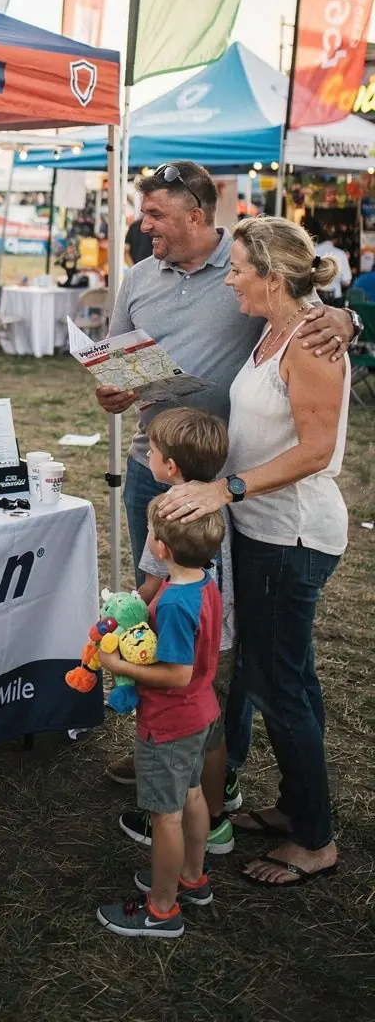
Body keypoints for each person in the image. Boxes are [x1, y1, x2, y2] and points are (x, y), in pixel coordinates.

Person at [157, 217, 349, 887]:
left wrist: (226, 488)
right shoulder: (276, 328)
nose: (229, 278)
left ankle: (317, 841)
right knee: (291, 678)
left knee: (276, 686)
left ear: (271, 278)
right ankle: (301, 809)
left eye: (238, 269)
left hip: (290, 535)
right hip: (261, 531)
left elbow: (317, 451)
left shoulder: (313, 341)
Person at [94, 160, 356, 588]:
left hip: (224, 470)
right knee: (155, 590)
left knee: (218, 601)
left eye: (155, 215)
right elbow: (114, 359)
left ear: (194, 215)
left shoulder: (251, 264)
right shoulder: (137, 278)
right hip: (152, 462)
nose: (143, 226)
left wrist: (348, 319)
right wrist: (112, 390)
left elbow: (308, 309)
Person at [112, 408, 239, 857]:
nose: (147, 454)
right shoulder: (220, 500)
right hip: (221, 635)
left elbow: (151, 583)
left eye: (153, 449)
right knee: (212, 730)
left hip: (180, 641)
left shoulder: (165, 510)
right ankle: (218, 816)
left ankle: (168, 815)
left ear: (169, 467)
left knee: (178, 735)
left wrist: (123, 617)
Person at [95, 498, 224, 941]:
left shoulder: (172, 603)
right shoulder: (204, 583)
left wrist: (117, 666)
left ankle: (161, 910)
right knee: (191, 796)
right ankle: (191, 876)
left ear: (162, 548)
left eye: (151, 532)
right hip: (200, 714)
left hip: (170, 724)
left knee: (165, 815)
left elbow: (176, 674)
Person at [315, 223, 351, 301]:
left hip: (313, 298)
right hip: (334, 298)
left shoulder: (312, 252)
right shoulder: (340, 254)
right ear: (335, 240)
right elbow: (346, 281)